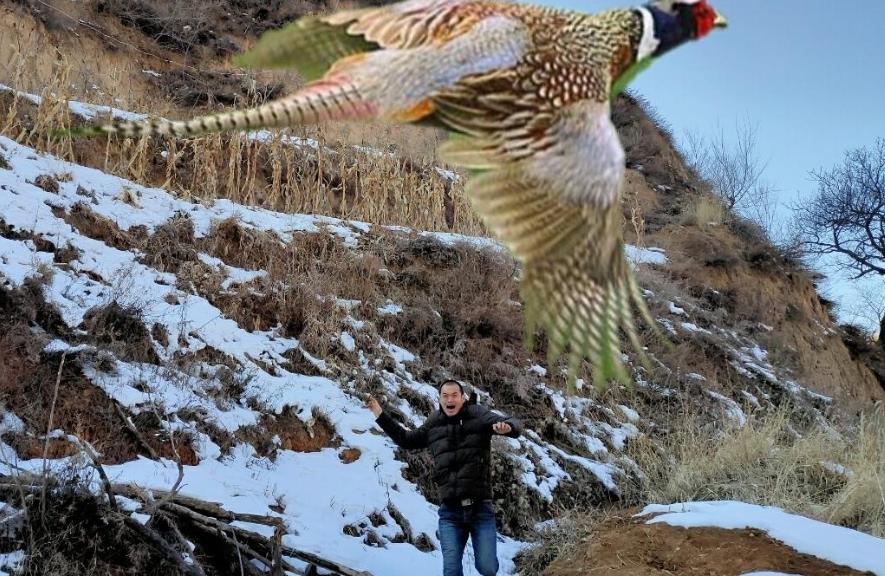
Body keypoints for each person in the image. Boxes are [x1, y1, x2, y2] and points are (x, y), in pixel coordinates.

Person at [366, 380, 522, 576]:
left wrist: (508, 427)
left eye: (454, 395)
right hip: (450, 512)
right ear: (439, 399)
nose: (450, 399)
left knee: (487, 567)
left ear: (462, 397)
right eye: (445, 396)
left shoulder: (478, 415)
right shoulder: (434, 423)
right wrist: (379, 413)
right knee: (451, 571)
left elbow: (515, 423)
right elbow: (406, 439)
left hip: (480, 509)